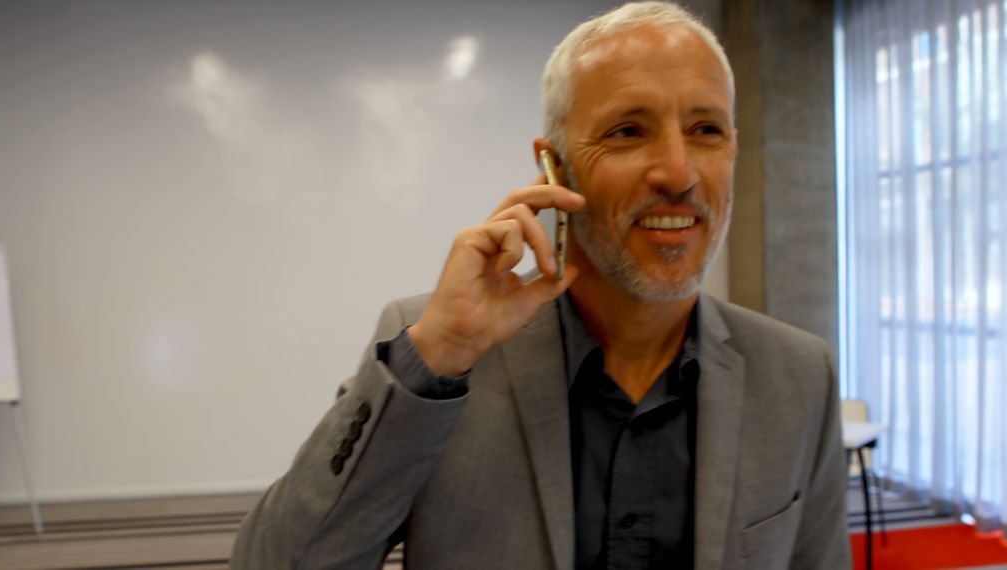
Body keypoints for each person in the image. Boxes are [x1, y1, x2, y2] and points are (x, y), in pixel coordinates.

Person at [230, 2, 851, 569]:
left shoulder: (799, 375)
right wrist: (436, 358)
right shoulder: (437, 357)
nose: (678, 172)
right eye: (628, 131)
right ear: (553, 164)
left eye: (706, 130)